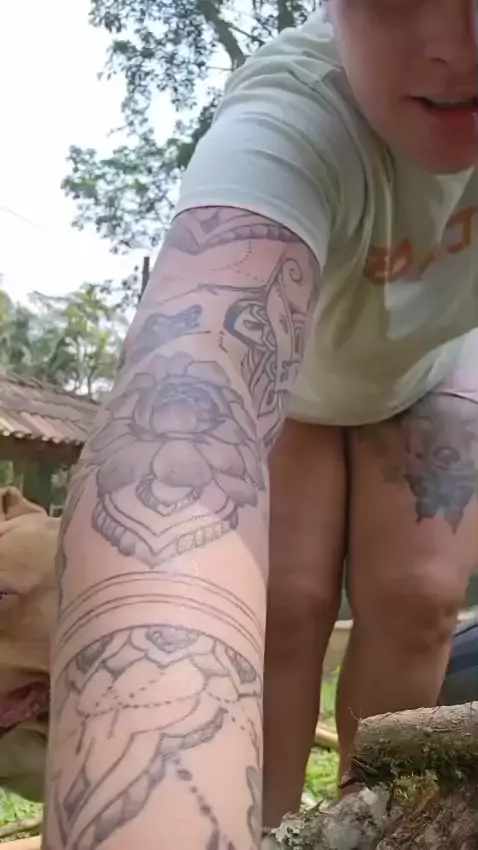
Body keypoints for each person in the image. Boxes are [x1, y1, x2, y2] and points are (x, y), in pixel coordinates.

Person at [43, 2, 478, 848]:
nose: (459, 48)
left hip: (431, 364)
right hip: (299, 381)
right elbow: (183, 394)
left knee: (420, 598)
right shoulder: (288, 119)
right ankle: (269, 828)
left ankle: (373, 828)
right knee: (284, 609)